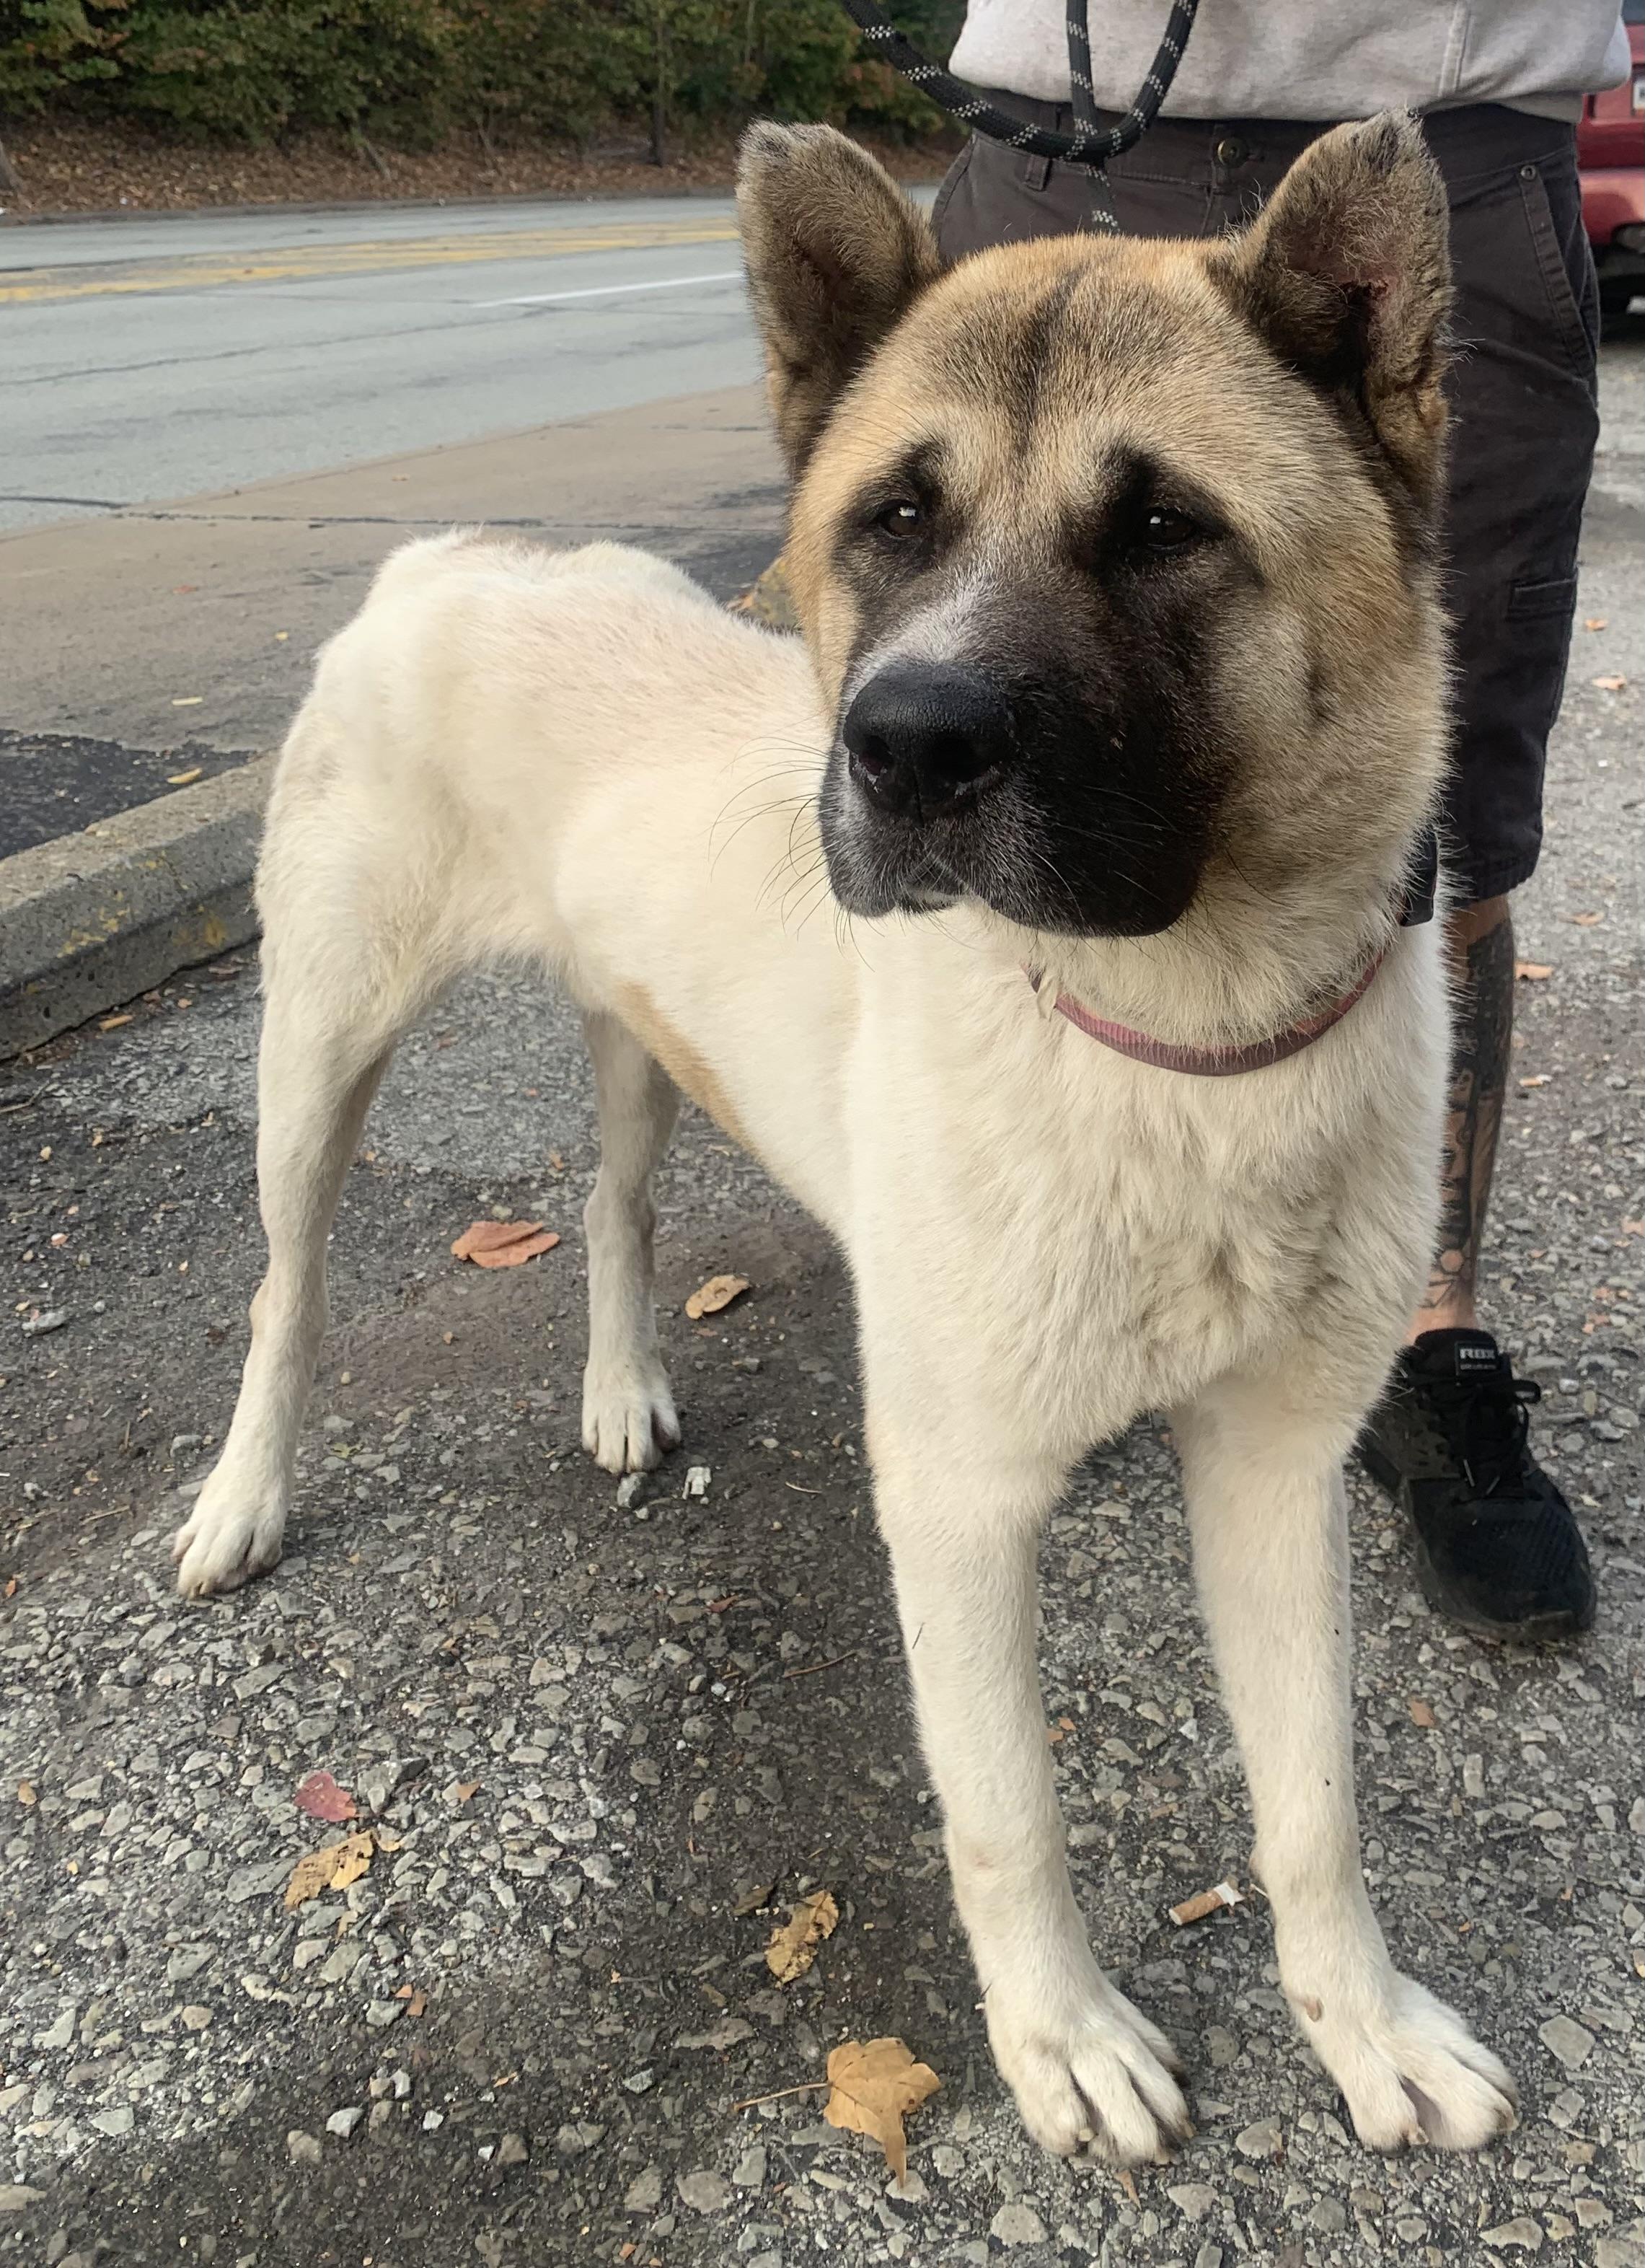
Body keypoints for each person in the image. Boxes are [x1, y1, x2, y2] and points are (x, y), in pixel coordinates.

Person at [930, 0, 1632, 1639]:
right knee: (987, 789)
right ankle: (1080, 1296)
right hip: (1060, 131)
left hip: (1433, 129)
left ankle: (1419, 1329)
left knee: (1423, 826)